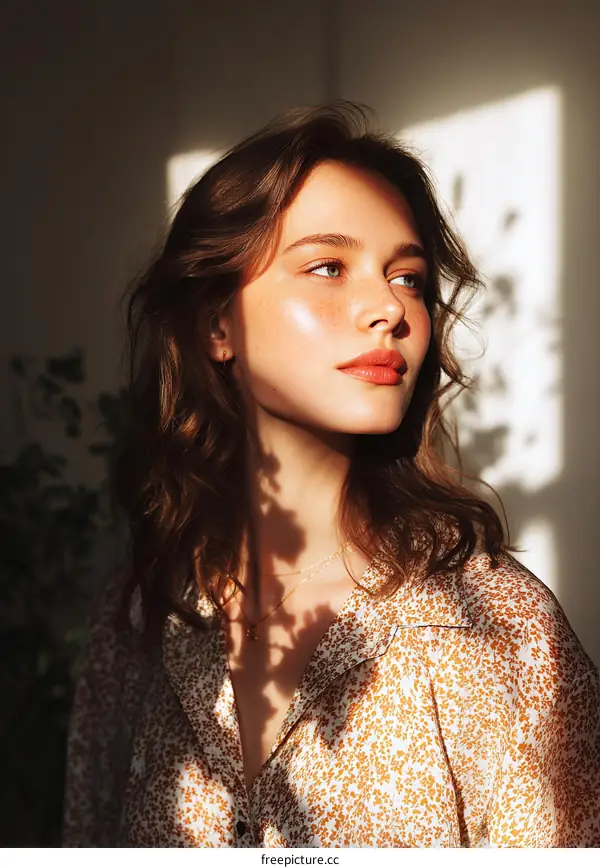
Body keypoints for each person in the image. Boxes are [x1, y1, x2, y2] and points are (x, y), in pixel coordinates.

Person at [62, 101, 600, 848]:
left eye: (409, 279)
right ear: (218, 323)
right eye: (328, 266)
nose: (388, 308)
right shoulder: (138, 617)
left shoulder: (501, 631)